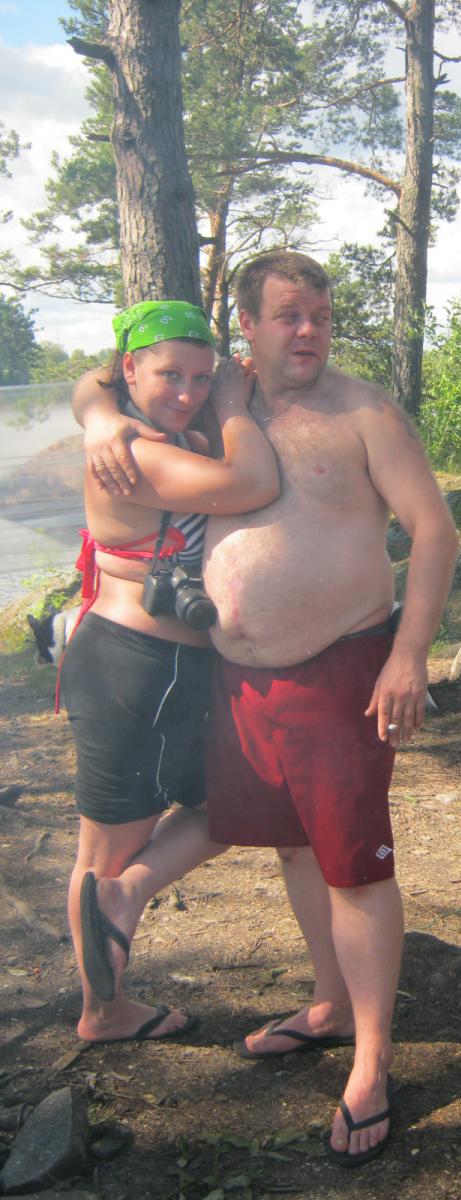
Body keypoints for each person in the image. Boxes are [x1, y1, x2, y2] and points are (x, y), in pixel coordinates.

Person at [77, 251, 459, 1166]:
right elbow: (105, 379)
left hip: (341, 666)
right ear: (244, 325)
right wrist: (96, 412)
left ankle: (371, 1062)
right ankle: (330, 1003)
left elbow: (435, 530)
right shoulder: (214, 397)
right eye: (288, 315)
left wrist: (408, 653)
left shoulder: (362, 411)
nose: (308, 331)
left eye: (320, 315)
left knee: (354, 868)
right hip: (239, 676)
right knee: (289, 843)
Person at [63, 300, 280, 1046]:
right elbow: (252, 481)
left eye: (201, 377)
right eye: (170, 376)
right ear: (131, 369)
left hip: (171, 669)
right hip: (134, 667)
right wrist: (233, 403)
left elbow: (90, 383)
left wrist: (95, 408)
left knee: (236, 800)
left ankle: (128, 897)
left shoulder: (146, 429)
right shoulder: (136, 453)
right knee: (104, 852)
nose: (187, 393)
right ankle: (103, 1010)